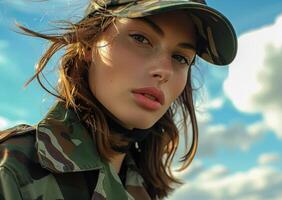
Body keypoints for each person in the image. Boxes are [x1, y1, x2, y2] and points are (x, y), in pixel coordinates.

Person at [0, 0, 237, 199]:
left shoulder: (144, 188)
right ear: (89, 44)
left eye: (180, 57)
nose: (165, 71)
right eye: (140, 38)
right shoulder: (12, 170)